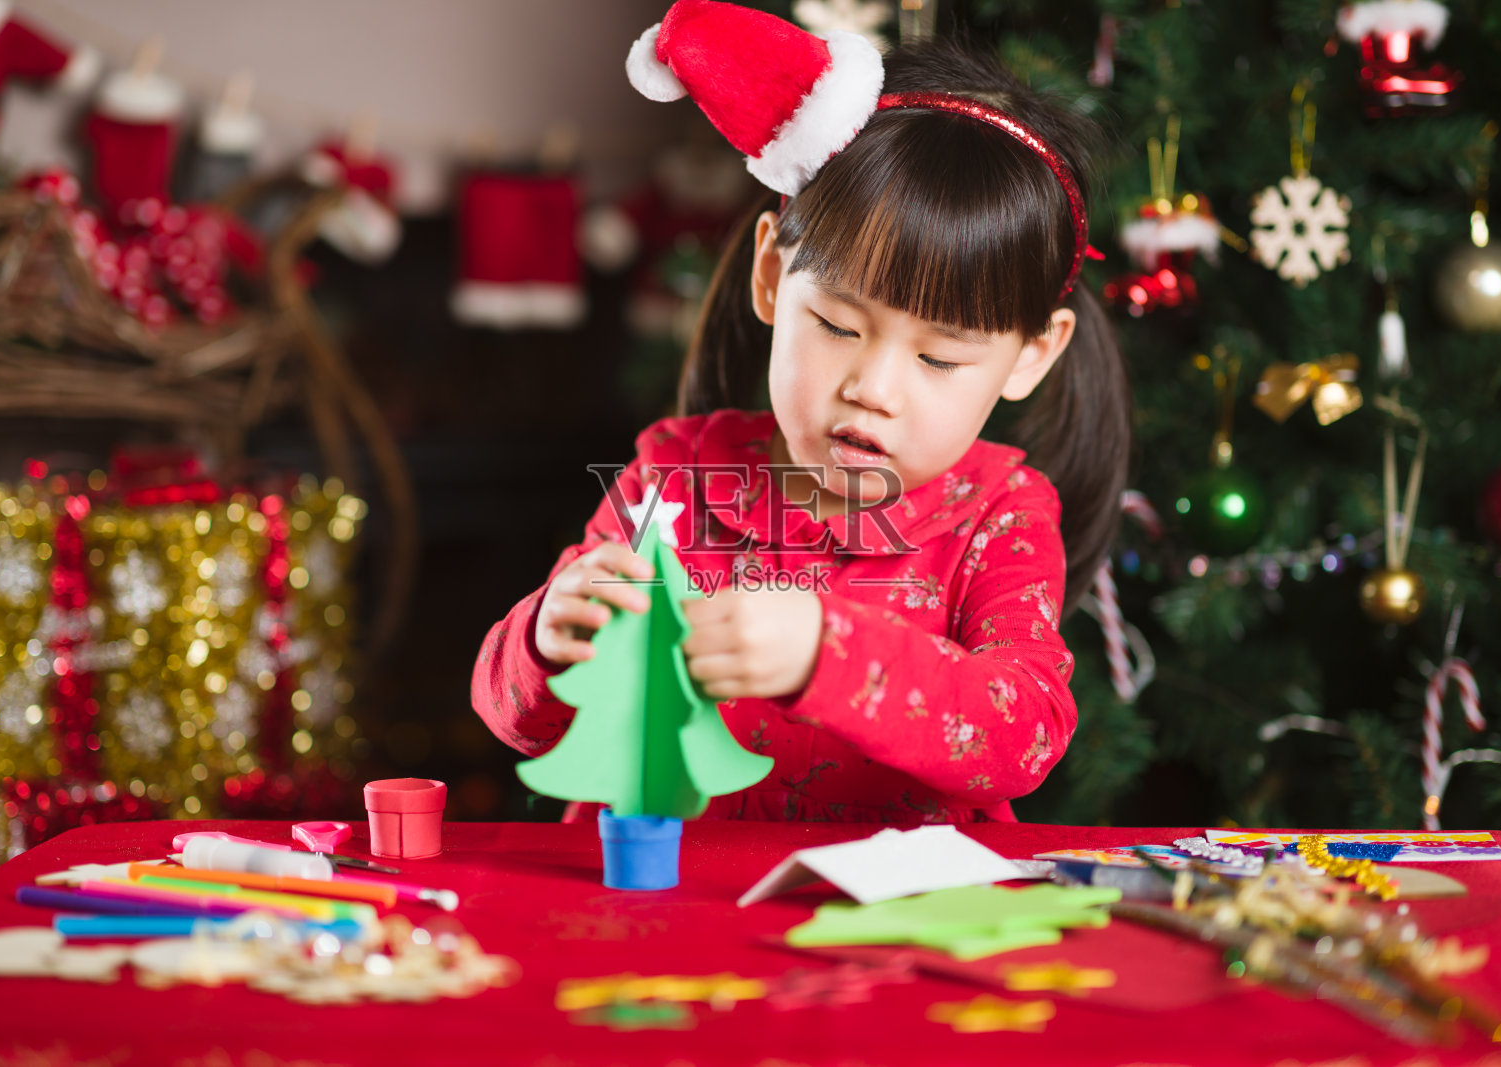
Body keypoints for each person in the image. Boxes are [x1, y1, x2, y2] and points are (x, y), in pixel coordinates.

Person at [473, 0, 1131, 824]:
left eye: (939, 357)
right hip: (663, 915)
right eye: (837, 325)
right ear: (773, 279)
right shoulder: (673, 479)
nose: (873, 387)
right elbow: (523, 724)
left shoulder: (998, 518)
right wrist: (547, 637)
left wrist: (830, 652)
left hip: (893, 928)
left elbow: (1024, 732)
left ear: (1031, 355)